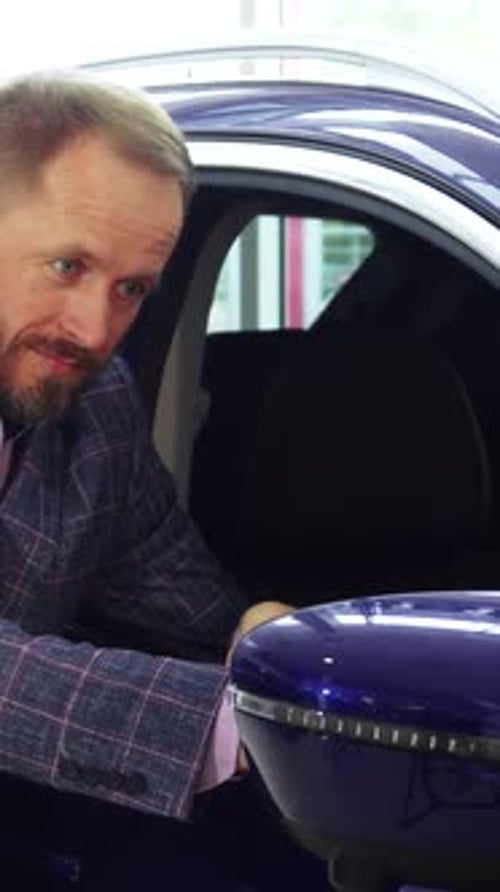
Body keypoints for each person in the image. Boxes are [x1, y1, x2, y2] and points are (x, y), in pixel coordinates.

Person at [0, 72, 308, 890]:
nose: (96, 330)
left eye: (132, 289)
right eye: (68, 265)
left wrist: (276, 644)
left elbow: (175, 588)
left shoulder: (95, 402)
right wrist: (242, 722)